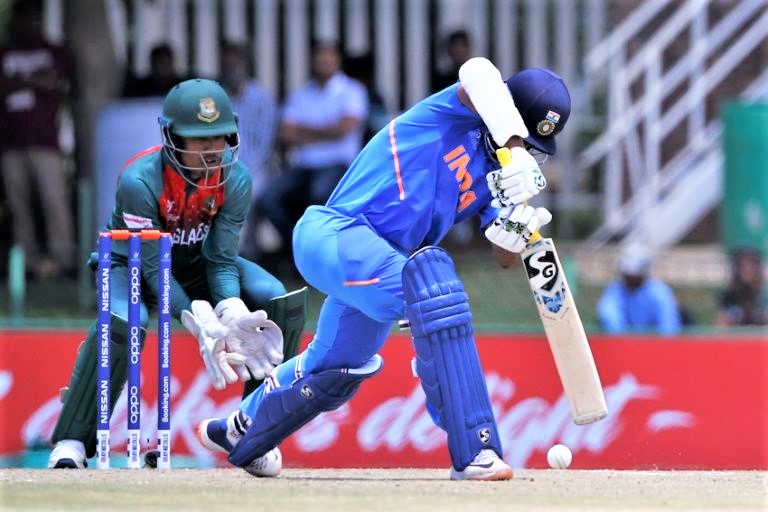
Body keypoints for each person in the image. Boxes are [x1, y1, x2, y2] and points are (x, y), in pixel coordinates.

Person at [197, 58, 571, 480]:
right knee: (434, 294)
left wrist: (515, 229)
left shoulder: (500, 175)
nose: (527, 153)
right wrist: (515, 148)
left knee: (338, 365)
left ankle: (241, 429)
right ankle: (475, 450)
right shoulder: (453, 111)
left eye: (535, 147)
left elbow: (502, 256)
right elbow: (478, 70)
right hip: (336, 232)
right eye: (525, 140)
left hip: (384, 261)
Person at [48, 79, 306, 475]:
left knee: (274, 297)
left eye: (218, 137)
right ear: (172, 136)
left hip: (197, 265)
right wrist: (196, 318)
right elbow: (153, 267)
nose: (211, 149)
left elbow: (221, 259)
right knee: (123, 321)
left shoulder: (236, 178)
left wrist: (230, 308)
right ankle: (72, 441)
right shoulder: (139, 181)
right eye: (198, 139)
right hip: (130, 265)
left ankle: (256, 434)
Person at [258, 39, 368, 268]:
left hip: (338, 164)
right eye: (319, 56)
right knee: (269, 199)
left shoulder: (352, 91)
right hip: (304, 165)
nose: (323, 61)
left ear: (338, 60)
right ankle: (299, 254)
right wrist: (327, 130)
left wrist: (305, 131)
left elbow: (344, 129)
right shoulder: (301, 94)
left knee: (317, 198)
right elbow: (286, 133)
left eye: (329, 55)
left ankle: (319, 261)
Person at [0, 0, 76, 279]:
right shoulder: (5, 51)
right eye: (25, 18)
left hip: (46, 141)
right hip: (11, 141)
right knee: (18, 206)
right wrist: (34, 80)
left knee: (54, 201)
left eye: (35, 18)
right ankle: (26, 264)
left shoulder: (53, 49)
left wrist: (18, 80)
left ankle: (64, 259)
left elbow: (53, 81)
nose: (30, 23)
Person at [217, 41, 279, 259]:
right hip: (222, 166)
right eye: (227, 64)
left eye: (235, 63)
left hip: (257, 168)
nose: (232, 68)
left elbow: (265, 144)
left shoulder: (262, 98)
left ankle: (246, 253)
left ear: (245, 65)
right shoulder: (216, 98)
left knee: (248, 188)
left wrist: (243, 171)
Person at [597, 243, 682, 335]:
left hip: (653, 342)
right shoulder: (615, 291)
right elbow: (610, 318)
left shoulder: (659, 291)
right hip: (624, 341)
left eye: (635, 275)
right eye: (628, 276)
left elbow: (668, 326)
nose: (631, 279)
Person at [715, 246, 767, 326]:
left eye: (750, 265)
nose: (746, 269)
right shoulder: (727, 296)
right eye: (741, 266)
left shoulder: (764, 295)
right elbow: (720, 325)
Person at [122, 43, 188, 98]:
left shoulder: (182, 87)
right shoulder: (139, 87)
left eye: (167, 63)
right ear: (152, 64)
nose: (164, 67)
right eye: (161, 62)